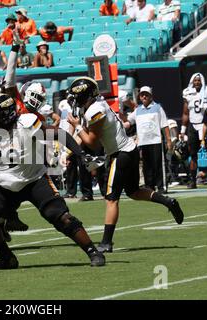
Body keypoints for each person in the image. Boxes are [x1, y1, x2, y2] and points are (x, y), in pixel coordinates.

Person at [0, 93, 106, 270]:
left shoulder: (27, 123)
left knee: (60, 217)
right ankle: (6, 257)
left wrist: (81, 155)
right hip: (3, 183)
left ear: (10, 115)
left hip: (34, 179)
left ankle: (93, 251)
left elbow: (58, 133)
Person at [66, 77, 184, 253]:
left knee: (111, 198)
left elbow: (93, 142)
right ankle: (168, 201)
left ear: (85, 95)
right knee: (134, 192)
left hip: (120, 155)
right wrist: (69, 150)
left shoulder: (95, 110)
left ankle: (106, 242)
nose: (74, 100)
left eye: (77, 96)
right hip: (128, 151)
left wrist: (77, 127)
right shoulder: (97, 105)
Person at [124, 86, 172, 192]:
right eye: (142, 95)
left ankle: (161, 187)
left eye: (146, 94)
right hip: (143, 143)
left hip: (156, 141)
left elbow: (165, 125)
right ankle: (149, 187)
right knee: (147, 167)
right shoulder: (137, 110)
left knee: (159, 165)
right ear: (140, 97)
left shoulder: (158, 108)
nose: (144, 96)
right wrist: (122, 123)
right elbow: (129, 122)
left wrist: (168, 140)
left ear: (151, 96)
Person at [181, 73, 207, 189]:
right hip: (193, 126)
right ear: (192, 82)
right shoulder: (187, 93)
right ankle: (192, 180)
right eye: (195, 80)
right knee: (193, 154)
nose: (197, 82)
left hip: (206, 125)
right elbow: (185, 113)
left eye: (199, 80)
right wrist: (182, 130)